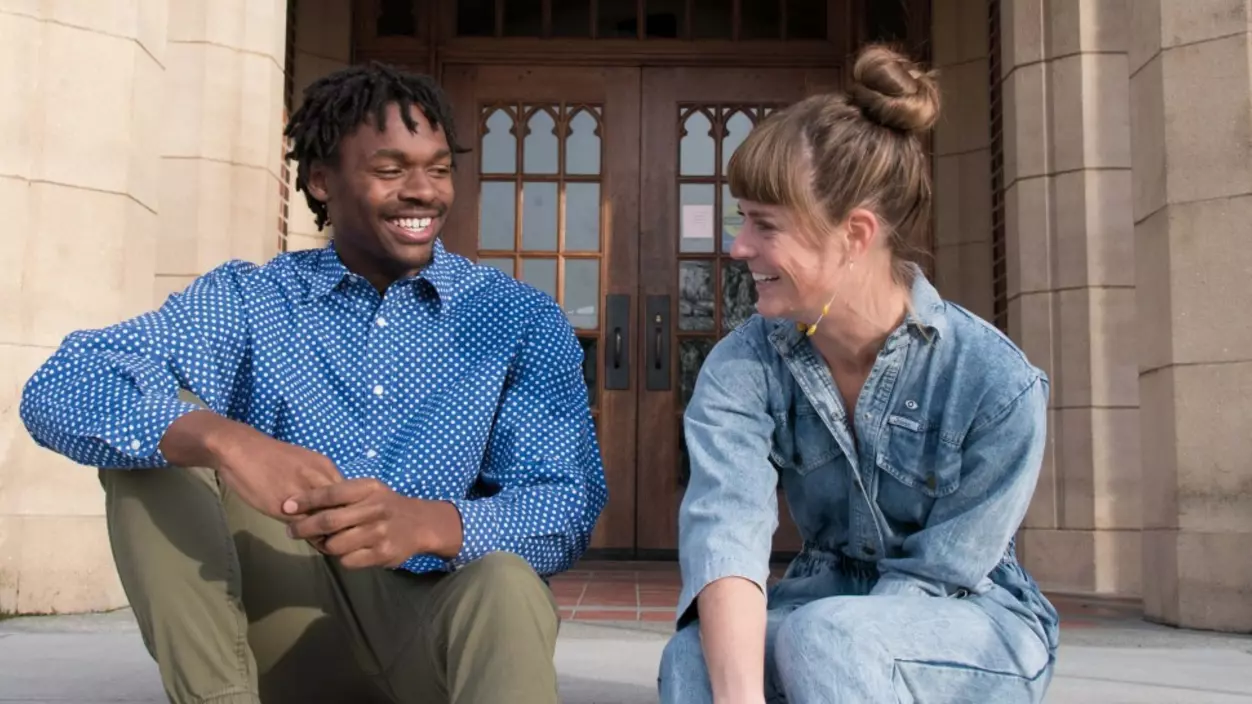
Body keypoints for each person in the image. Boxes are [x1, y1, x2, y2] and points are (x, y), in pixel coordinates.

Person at [19, 62, 607, 704]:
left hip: (434, 632)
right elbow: (63, 384)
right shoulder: (252, 296)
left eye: (438, 169)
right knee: (157, 438)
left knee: (506, 583)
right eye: (390, 170)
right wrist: (226, 441)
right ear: (323, 181)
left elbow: (567, 503)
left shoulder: (514, 317)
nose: (424, 192)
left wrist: (432, 524)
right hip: (283, 614)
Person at [657, 44, 1059, 704]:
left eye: (765, 225)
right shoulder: (743, 367)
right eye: (741, 220)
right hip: (822, 604)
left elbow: (939, 580)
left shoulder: (994, 381)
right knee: (696, 656)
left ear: (856, 234)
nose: (738, 247)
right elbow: (724, 536)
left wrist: (815, 644)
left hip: (972, 626)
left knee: (829, 638)